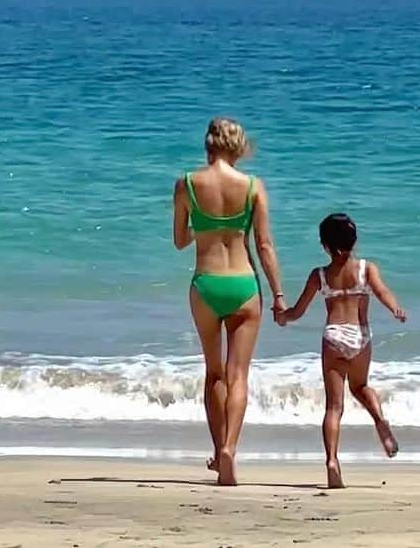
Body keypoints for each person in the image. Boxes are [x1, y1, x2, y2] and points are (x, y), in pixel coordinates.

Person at [173, 117, 285, 487]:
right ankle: (230, 450)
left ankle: (217, 446)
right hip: (242, 284)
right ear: (238, 148)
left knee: (214, 373)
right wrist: (279, 295)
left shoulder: (187, 184)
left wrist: (205, 226)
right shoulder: (253, 186)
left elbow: (179, 239)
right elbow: (265, 246)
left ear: (208, 146)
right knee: (239, 376)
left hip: (205, 285)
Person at [276, 212, 406, 489]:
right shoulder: (366, 270)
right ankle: (380, 420)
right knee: (361, 386)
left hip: (334, 336)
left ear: (324, 245)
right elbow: (382, 292)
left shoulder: (320, 275)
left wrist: (283, 316)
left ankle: (332, 461)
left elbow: (298, 311)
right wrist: (394, 308)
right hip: (360, 336)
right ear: (354, 240)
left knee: (334, 407)